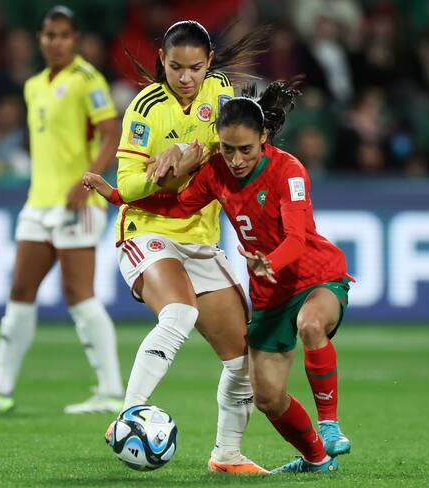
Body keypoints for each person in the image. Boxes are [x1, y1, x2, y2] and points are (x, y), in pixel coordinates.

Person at [85, 79, 353, 473]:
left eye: (246, 149)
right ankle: (316, 458)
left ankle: (330, 425)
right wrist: (115, 196)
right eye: (228, 149)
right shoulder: (215, 172)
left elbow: (296, 239)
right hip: (269, 294)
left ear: (263, 137)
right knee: (267, 396)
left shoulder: (288, 169)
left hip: (313, 276)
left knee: (310, 323)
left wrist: (269, 264)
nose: (237, 159)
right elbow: (176, 207)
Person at [103, 20, 271, 474]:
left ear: (209, 64)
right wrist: (162, 173)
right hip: (148, 231)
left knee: (242, 357)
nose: (185, 78)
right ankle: (127, 415)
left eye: (194, 68)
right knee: (180, 313)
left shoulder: (221, 94)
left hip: (200, 241)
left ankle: (227, 455)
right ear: (162, 62)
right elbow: (126, 183)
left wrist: (205, 149)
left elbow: (237, 149)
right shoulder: (146, 107)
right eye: (175, 67)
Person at [0, 6, 124, 415]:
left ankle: (111, 390)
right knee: (19, 291)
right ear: (40, 39)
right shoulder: (32, 86)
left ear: (75, 39)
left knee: (78, 294)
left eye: (64, 35)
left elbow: (112, 133)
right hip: (38, 203)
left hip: (77, 202)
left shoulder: (88, 79)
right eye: (49, 35)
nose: (56, 42)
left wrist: (88, 181)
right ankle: (0, 389)